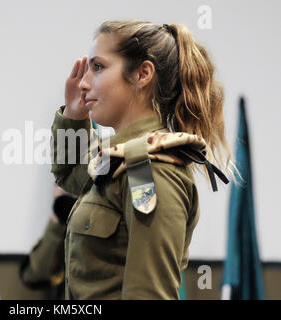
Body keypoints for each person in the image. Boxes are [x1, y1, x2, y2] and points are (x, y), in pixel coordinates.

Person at [50, 20, 233, 299]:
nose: (84, 83)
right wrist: (74, 117)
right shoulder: (121, 158)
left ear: (142, 74)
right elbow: (73, 175)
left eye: (98, 67)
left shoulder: (149, 170)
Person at [19, 184, 77, 299]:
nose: (62, 190)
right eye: (57, 185)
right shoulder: (58, 226)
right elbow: (32, 276)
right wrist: (57, 219)